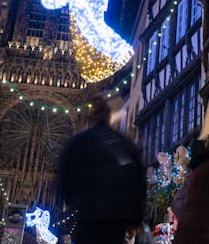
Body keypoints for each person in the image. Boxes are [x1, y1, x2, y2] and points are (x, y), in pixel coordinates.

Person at [58, 96, 146, 244]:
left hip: (87, 216)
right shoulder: (125, 144)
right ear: (111, 115)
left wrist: (73, 206)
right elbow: (138, 183)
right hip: (115, 220)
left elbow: (65, 178)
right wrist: (135, 218)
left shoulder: (80, 142)